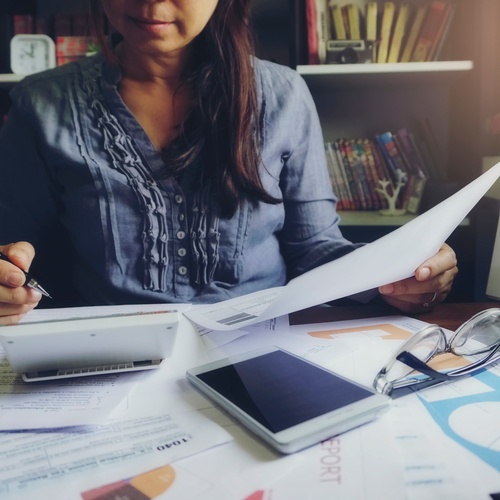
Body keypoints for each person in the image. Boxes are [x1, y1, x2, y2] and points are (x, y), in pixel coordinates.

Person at [0, 0, 457, 326]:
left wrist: (397, 277)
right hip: (109, 355)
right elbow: (19, 250)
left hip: (261, 341)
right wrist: (9, 281)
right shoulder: (40, 104)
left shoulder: (281, 94)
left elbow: (315, 248)